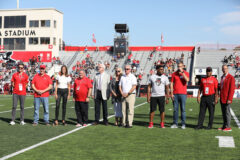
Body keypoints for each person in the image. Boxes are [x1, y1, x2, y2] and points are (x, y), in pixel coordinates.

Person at [170, 62, 189, 129]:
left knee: (183, 109)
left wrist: (182, 73)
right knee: (175, 109)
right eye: (178, 66)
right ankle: (175, 123)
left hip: (183, 94)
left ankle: (183, 124)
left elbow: (187, 80)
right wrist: (171, 93)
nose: (179, 67)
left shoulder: (186, 73)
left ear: (183, 66)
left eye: (180, 66)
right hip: (175, 93)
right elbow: (171, 83)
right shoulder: (174, 74)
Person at [218, 65, 235, 131]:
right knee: (224, 113)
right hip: (222, 98)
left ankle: (228, 126)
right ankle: (224, 126)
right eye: (223, 69)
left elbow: (232, 89)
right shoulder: (222, 77)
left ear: (227, 69)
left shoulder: (231, 77)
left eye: (225, 68)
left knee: (227, 112)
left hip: (227, 98)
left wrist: (230, 99)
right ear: (222, 70)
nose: (224, 70)